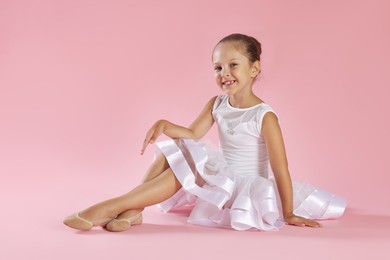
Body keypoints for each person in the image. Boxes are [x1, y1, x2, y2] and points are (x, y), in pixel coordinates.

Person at [64, 33, 346, 232]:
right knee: (177, 147)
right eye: (218, 67)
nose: (225, 73)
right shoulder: (217, 104)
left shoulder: (264, 116)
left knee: (192, 161)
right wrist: (164, 124)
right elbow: (191, 133)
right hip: (220, 177)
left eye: (233, 65)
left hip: (242, 188)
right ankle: (133, 211)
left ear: (254, 68)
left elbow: (280, 168)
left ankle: (111, 206)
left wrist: (288, 213)